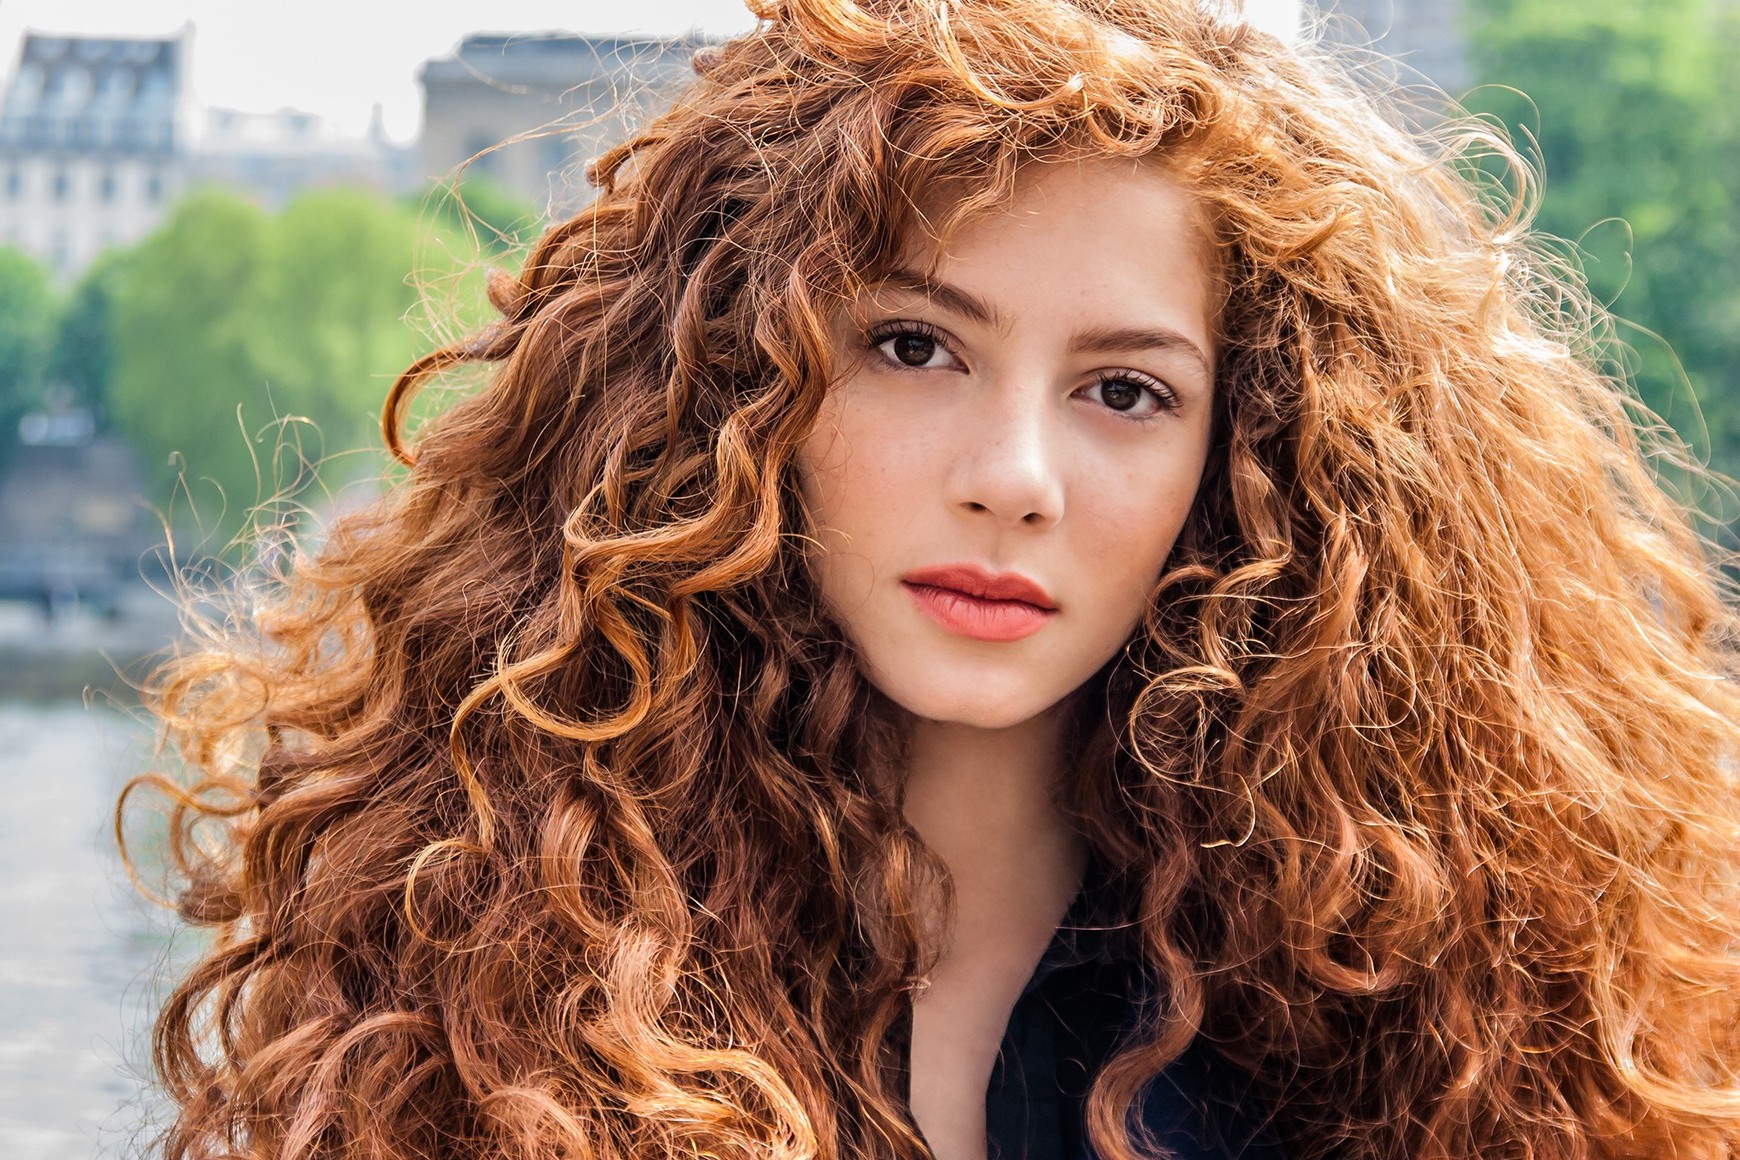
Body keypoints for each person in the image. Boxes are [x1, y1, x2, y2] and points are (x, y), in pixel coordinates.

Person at [124, 1, 1740, 1157]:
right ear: (741, 391)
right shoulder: (484, 950)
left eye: (1126, 391)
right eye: (913, 347)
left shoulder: (1442, 1020)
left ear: (1251, 461)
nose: (1012, 476)